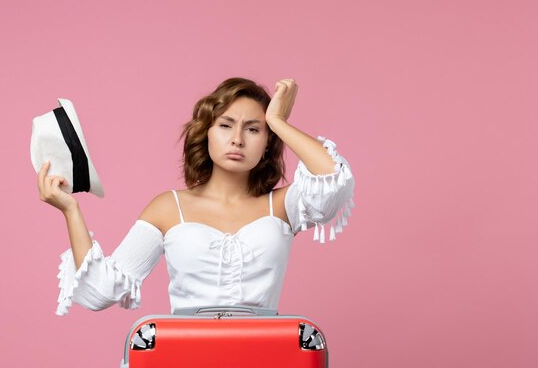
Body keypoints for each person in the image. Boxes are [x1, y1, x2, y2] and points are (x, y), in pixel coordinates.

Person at [37, 77, 355, 316]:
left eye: (253, 129)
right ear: (206, 133)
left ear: (268, 143)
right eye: (225, 125)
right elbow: (101, 291)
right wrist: (71, 211)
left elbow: (333, 180)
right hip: (185, 364)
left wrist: (278, 121)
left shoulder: (283, 205)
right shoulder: (169, 207)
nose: (237, 140)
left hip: (266, 361)